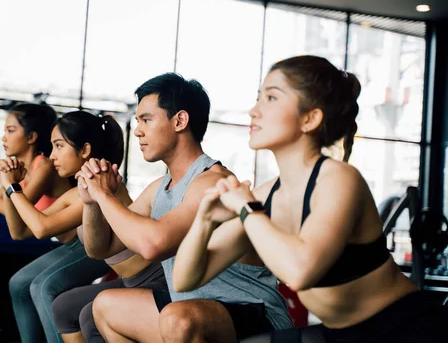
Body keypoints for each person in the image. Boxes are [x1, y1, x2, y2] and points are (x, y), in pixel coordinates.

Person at [172, 55, 448, 343]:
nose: (254, 111)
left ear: (310, 118)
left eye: (271, 98)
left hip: (407, 330)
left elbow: (300, 271)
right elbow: (186, 279)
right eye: (258, 98)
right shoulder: (265, 196)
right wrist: (204, 219)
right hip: (340, 334)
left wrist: (246, 209)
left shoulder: (338, 179)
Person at [76, 73, 293, 342]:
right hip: (192, 312)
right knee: (106, 306)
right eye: (138, 122)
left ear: (180, 120)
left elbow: (153, 244)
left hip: (252, 312)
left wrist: (102, 193)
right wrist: (91, 202)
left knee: (178, 319)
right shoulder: (160, 187)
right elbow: (101, 248)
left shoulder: (213, 182)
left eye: (146, 119)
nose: (139, 130)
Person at [0, 111, 131, 343]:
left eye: (59, 146)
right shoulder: (76, 191)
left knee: (44, 287)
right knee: (20, 284)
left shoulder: (100, 182)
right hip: (95, 253)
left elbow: (41, 228)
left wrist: (12, 189)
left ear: (85, 150)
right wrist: (13, 188)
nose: (52, 156)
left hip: (130, 271)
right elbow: (20, 231)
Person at [0, 103, 70, 219]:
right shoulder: (17, 172)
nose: (4, 138)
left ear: (31, 137)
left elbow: (16, 210)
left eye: (10, 131)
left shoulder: (45, 166)